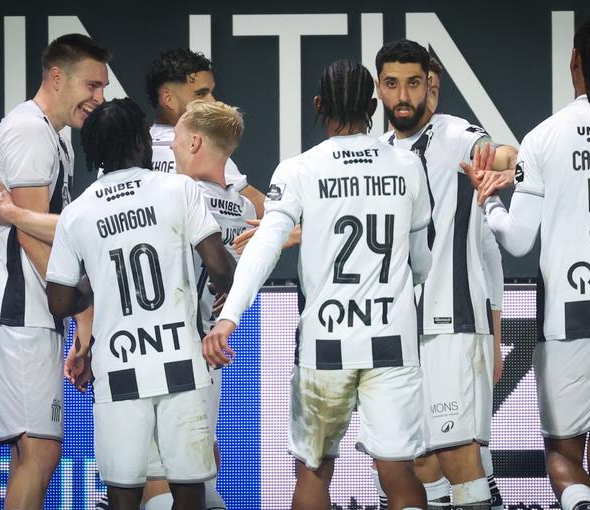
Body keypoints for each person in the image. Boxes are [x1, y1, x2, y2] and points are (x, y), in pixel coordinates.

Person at [203, 59, 433, 510]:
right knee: (397, 472)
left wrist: (229, 318)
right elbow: (420, 263)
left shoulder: (299, 169)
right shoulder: (408, 165)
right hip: (392, 341)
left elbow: (265, 246)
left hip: (325, 343)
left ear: (317, 104)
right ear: (373, 105)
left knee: (313, 469)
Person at [465, 14, 590, 510]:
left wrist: (489, 202)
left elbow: (517, 241)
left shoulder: (544, 138)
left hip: (570, 316)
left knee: (560, 454)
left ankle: (576, 501)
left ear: (574, 61)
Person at [45, 98, 236, 509]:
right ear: (140, 141)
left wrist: (100, 281)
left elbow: (59, 302)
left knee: (123, 494)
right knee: (189, 490)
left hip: (118, 370)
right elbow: (219, 267)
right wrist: (229, 286)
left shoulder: (77, 213)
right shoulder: (178, 188)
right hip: (181, 365)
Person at [373, 39, 516, 510]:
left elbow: (500, 155)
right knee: (416, 460)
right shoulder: (377, 154)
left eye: (413, 83)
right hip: (396, 328)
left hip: (451, 325)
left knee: (458, 454)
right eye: (392, 84)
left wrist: (506, 167)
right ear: (379, 88)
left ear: (428, 84)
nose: (404, 96)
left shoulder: (456, 134)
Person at [0, 33, 109, 509]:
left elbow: (53, 234)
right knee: (42, 450)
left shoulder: (56, 138)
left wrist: (77, 324)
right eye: (91, 85)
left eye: (103, 87)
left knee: (31, 452)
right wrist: (76, 311)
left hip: (34, 312)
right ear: (56, 77)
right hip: (18, 310)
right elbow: (32, 238)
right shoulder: (30, 132)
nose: (99, 98)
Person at [145, 48, 265, 217]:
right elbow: (262, 209)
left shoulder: (134, 149)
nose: (212, 101)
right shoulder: (200, 146)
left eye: (210, 92)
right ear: (168, 99)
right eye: (201, 93)